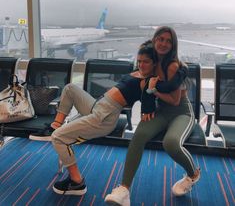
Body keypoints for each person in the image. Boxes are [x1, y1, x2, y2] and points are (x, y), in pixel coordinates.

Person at [29, 40, 187, 196]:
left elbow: (150, 103)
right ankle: (56, 125)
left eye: (146, 62)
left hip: (104, 117)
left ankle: (77, 182)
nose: (141, 65)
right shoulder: (138, 72)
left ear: (155, 64)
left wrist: (153, 92)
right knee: (70, 88)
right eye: (139, 61)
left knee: (58, 138)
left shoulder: (149, 81)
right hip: (98, 104)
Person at [105, 26, 200, 206]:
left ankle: (193, 174)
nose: (163, 43)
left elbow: (173, 100)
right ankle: (124, 190)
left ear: (173, 45)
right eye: (160, 39)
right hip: (161, 112)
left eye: (168, 40)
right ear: (154, 40)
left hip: (181, 112)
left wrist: (153, 90)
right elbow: (141, 76)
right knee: (138, 136)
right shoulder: (151, 60)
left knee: (170, 143)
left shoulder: (172, 66)